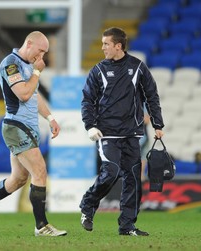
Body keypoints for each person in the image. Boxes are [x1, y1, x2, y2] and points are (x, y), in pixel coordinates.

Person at [0, 31, 67, 237]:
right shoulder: (10, 64)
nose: (42, 58)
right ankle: (41, 226)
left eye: (45, 54)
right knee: (40, 171)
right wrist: (37, 73)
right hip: (17, 126)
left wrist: (50, 118)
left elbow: (34, 97)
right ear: (29, 43)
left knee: (18, 179)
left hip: (28, 127)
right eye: (40, 51)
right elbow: (23, 93)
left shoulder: (28, 66)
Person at [79, 27, 164, 236]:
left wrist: (158, 124)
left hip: (132, 134)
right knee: (111, 172)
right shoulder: (98, 70)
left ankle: (127, 226)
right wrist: (90, 125)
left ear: (118, 46)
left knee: (134, 180)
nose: (102, 48)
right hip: (107, 133)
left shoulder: (138, 67)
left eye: (106, 44)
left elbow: (152, 95)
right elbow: (87, 101)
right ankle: (88, 205)